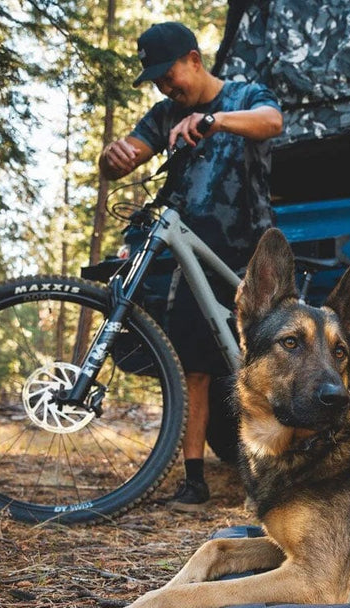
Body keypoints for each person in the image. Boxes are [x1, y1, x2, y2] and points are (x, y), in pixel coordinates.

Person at [99, 22, 283, 512]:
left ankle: (278, 472)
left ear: (195, 60)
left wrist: (217, 121)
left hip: (246, 250)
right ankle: (194, 481)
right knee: (195, 370)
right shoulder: (165, 115)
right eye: (156, 80)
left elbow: (271, 122)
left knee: (264, 366)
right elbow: (128, 156)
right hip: (187, 256)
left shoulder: (245, 93)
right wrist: (112, 160)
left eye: (169, 74)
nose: (165, 86)